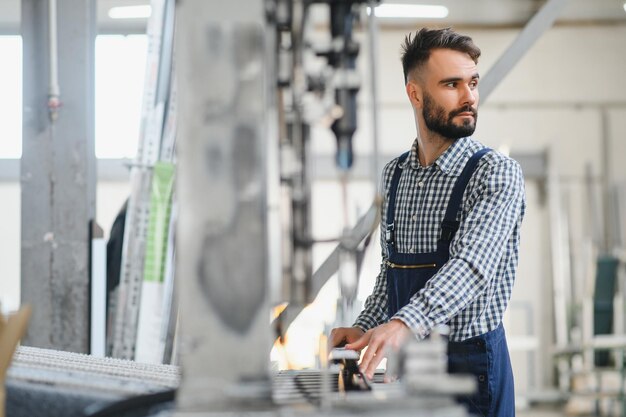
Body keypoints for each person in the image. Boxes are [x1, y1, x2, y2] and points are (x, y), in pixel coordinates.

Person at [329, 27, 526, 417]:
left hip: (473, 371)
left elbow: (471, 267)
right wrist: (366, 327)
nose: (469, 96)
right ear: (415, 94)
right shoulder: (396, 175)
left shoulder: (495, 174)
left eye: (472, 82)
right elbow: (392, 272)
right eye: (452, 84)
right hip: (414, 366)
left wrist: (403, 324)